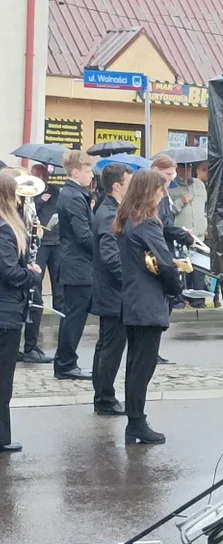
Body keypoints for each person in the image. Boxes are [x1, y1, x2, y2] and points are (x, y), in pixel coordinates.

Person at [116, 170, 182, 445]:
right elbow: (164, 262)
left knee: (135, 364)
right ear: (148, 192)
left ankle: (136, 420)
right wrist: (175, 289)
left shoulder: (128, 219)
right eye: (159, 190)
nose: (162, 194)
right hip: (146, 302)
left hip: (133, 300)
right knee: (143, 366)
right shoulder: (146, 223)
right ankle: (137, 422)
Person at [0, 174, 42, 453]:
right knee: (3, 379)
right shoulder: (4, 229)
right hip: (5, 311)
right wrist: (32, 274)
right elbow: (9, 272)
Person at [91, 162, 132, 417]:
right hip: (114, 293)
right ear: (117, 186)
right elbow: (110, 257)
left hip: (111, 292)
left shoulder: (112, 209)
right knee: (110, 349)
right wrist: (128, 280)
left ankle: (103, 395)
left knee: (105, 346)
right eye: (128, 183)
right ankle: (105, 398)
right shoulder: (109, 214)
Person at [54, 150, 96, 381]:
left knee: (73, 316)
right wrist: (101, 253)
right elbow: (83, 235)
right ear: (75, 171)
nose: (91, 175)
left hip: (77, 264)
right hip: (77, 266)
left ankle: (65, 361)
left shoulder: (76, 194)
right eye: (88, 171)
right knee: (74, 317)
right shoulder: (73, 196)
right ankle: (66, 363)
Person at [151, 155, 196, 361]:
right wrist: (184, 236)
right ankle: (150, 352)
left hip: (166, 247)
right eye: (167, 174)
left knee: (164, 304)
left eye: (173, 173)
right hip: (160, 251)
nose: (171, 178)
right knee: (161, 304)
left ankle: (152, 351)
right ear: (156, 170)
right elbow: (164, 225)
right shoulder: (155, 193)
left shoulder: (163, 191)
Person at [20, 163, 59, 363]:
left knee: (35, 301)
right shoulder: (27, 202)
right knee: (34, 301)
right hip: (25, 258)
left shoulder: (51, 193)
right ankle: (28, 348)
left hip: (42, 247)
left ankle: (29, 347)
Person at [169, 162, 208, 308]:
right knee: (182, 270)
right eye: (183, 167)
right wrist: (181, 202)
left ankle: (198, 300)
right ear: (177, 169)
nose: (187, 170)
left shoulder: (199, 185)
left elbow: (204, 206)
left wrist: (206, 225)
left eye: (189, 167)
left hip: (199, 235)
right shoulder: (171, 186)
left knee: (199, 271)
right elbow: (168, 210)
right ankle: (180, 300)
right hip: (181, 235)